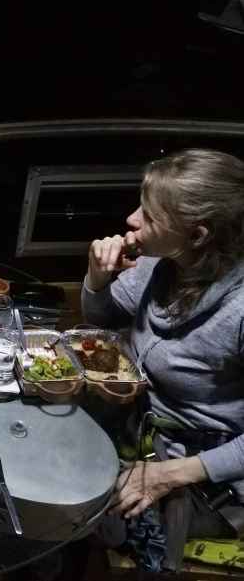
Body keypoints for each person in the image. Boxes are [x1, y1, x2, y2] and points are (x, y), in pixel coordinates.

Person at [83, 149, 244, 566]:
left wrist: (166, 476)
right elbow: (103, 316)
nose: (133, 221)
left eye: (150, 217)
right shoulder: (164, 263)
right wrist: (97, 279)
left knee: (80, 507)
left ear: (198, 235)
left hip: (202, 472)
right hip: (136, 425)